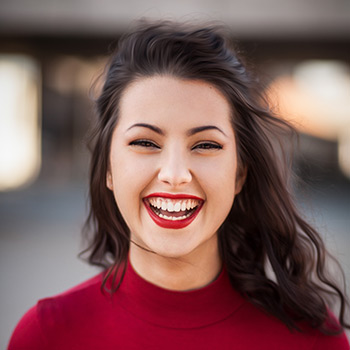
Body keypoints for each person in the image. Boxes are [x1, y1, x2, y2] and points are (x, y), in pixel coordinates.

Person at [8, 20, 350, 349]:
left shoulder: (312, 340)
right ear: (108, 169)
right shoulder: (46, 336)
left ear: (240, 173)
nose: (175, 174)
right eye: (145, 142)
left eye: (205, 145)